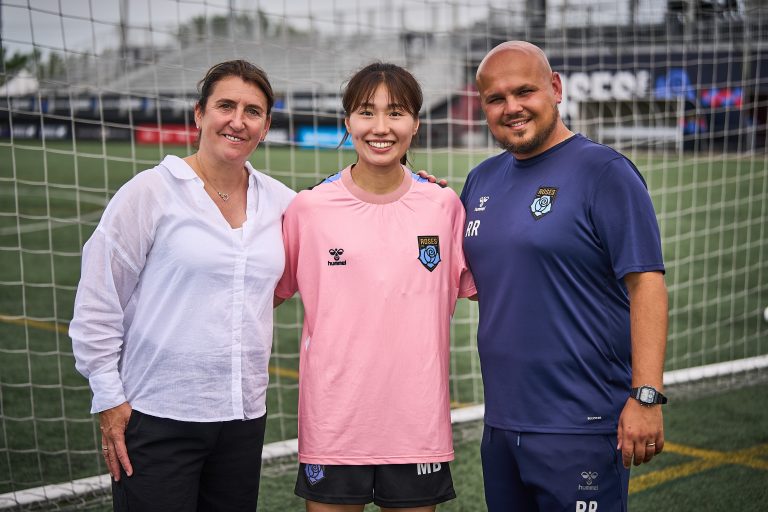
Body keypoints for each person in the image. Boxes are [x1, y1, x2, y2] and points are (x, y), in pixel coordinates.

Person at [69, 60, 296, 511]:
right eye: (225, 106)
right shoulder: (151, 191)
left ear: (266, 126)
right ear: (199, 114)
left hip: (243, 416)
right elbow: (98, 300)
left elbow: (348, 224)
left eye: (252, 111)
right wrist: (109, 398)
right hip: (158, 414)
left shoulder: (282, 202)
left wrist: (413, 186)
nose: (237, 121)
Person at [459, 41, 669, 511]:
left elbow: (647, 285)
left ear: (554, 89)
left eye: (524, 92)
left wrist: (647, 395)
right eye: (496, 99)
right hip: (501, 424)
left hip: (582, 423)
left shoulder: (605, 171)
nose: (511, 108)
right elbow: (489, 279)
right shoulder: (481, 179)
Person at [274, 62, 476, 512]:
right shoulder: (309, 209)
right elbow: (262, 294)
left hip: (416, 426)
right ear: (347, 121)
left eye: (396, 112)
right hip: (334, 424)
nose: (380, 127)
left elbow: (494, 286)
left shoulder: (443, 206)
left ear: (416, 123)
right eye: (367, 112)